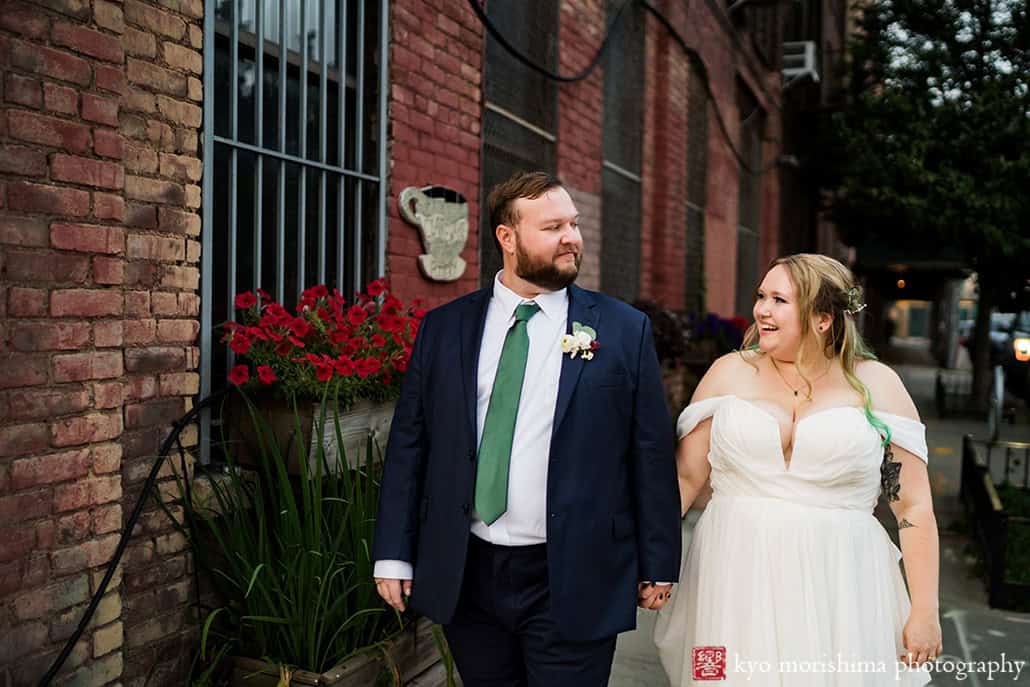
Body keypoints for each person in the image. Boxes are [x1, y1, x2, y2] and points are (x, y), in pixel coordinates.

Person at [372, 171, 682, 686]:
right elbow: (411, 444)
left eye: (574, 224)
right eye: (553, 226)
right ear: (507, 237)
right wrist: (393, 553)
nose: (572, 237)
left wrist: (660, 558)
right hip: (468, 570)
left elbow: (649, 451)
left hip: (576, 572)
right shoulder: (445, 328)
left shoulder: (624, 330)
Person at [654, 254, 942, 686]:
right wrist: (651, 560)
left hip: (839, 582)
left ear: (823, 319)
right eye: (761, 296)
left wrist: (924, 610)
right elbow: (684, 479)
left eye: (779, 300)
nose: (762, 310)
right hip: (732, 575)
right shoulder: (728, 373)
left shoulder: (878, 386)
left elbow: (913, 506)